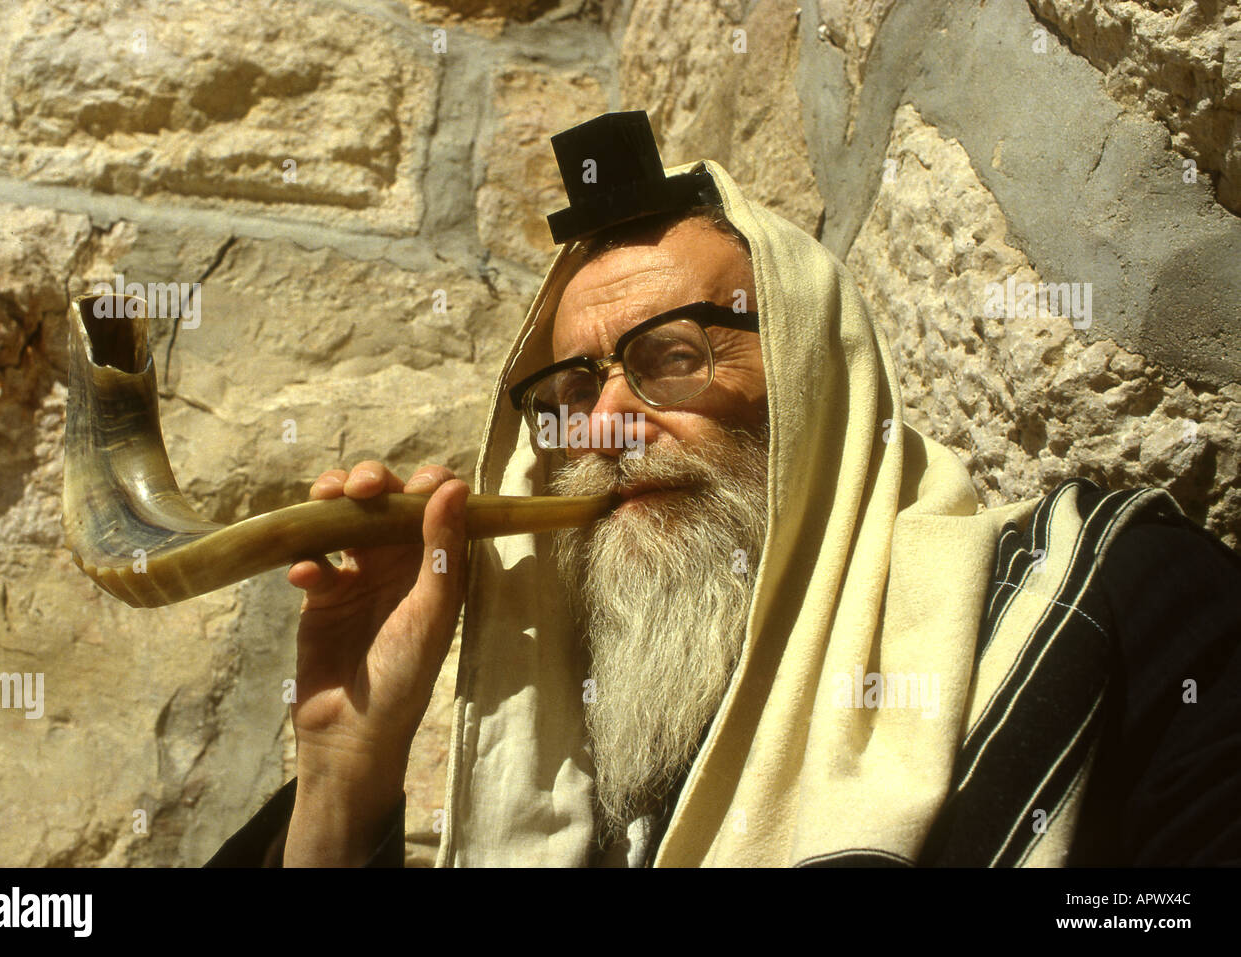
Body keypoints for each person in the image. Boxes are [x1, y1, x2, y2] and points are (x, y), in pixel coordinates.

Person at [208, 112, 1241, 868]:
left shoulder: (1109, 611)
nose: (602, 427)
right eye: (569, 389)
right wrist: (350, 756)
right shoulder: (586, 771)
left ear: (808, 377)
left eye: (673, 355)